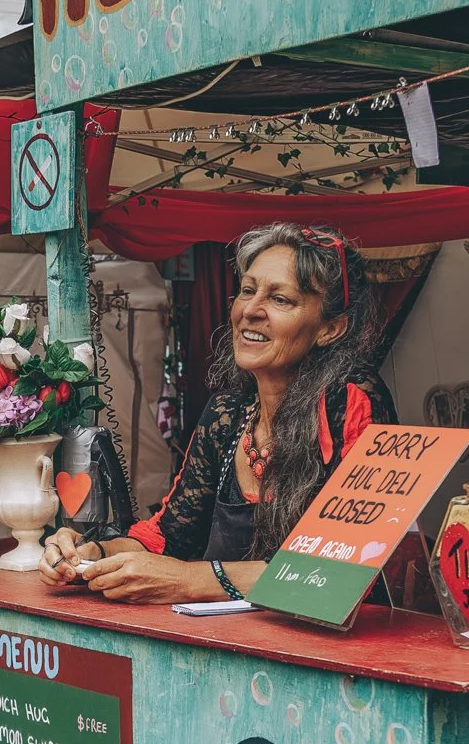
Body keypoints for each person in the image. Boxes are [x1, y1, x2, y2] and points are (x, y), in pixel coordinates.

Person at [43, 223, 392, 603]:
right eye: (247, 290)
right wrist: (94, 556)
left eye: (281, 300)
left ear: (330, 328)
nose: (250, 311)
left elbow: (344, 572)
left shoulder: (352, 401)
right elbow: (169, 536)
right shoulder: (229, 414)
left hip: (327, 654)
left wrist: (190, 581)